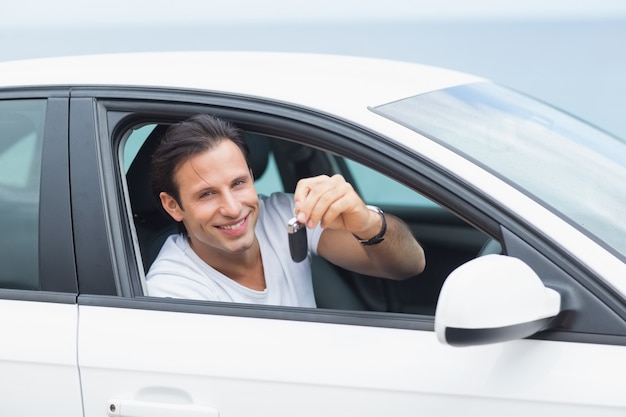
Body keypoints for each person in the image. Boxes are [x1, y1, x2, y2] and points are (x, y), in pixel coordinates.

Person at [146, 114, 425, 307]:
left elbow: (409, 265)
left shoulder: (282, 214)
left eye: (238, 183)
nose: (232, 208)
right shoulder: (173, 290)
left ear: (251, 176)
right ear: (173, 205)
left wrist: (367, 223)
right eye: (207, 194)